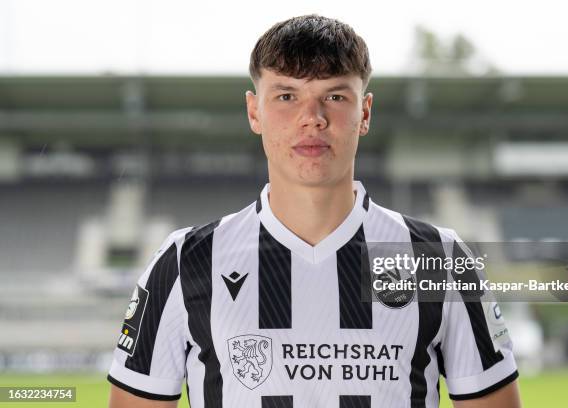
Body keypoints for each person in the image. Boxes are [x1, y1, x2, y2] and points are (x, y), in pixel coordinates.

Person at [108, 14, 521, 408]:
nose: (312, 118)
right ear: (255, 112)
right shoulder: (185, 261)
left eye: (335, 96)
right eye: (287, 96)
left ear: (365, 113)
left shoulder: (439, 258)